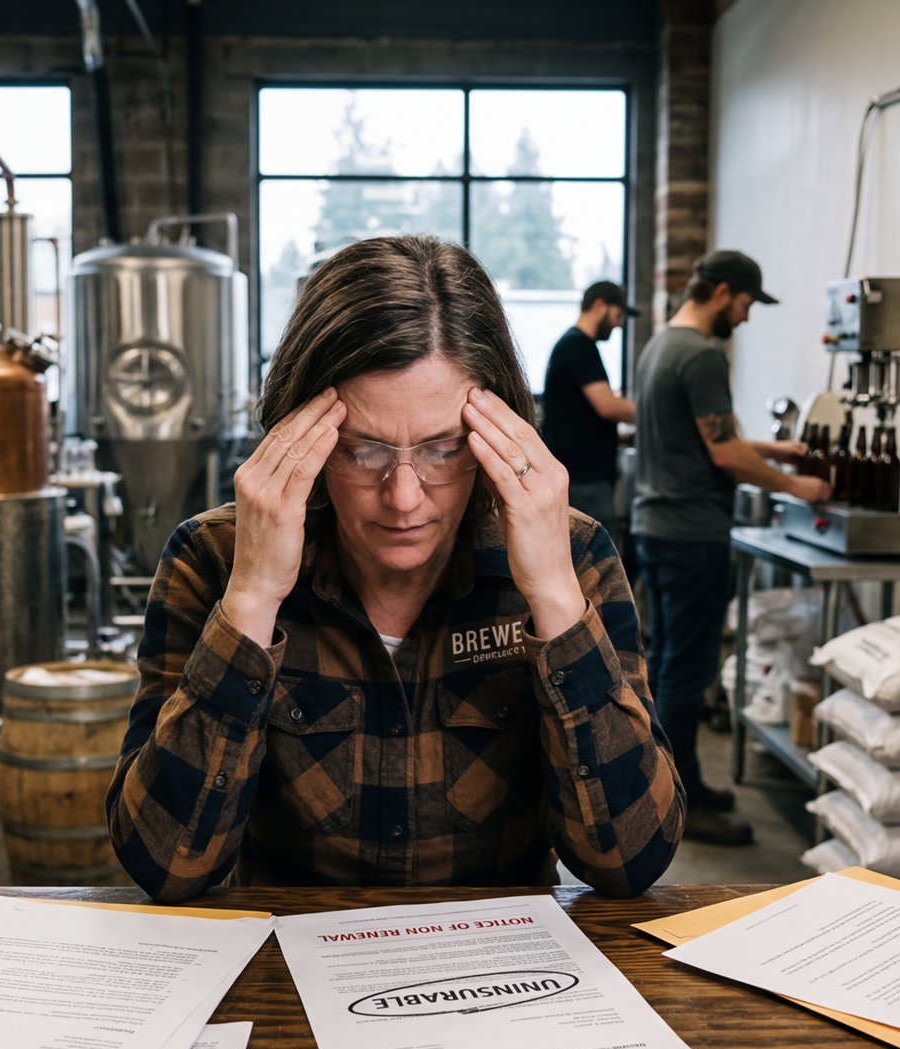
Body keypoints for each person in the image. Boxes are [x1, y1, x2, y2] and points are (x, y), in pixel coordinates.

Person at [110, 235, 683, 904]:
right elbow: (165, 867)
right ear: (301, 438)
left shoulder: (575, 556)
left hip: (502, 977)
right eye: (363, 451)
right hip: (281, 974)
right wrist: (253, 598)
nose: (405, 496)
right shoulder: (211, 559)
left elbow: (632, 860)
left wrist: (554, 598)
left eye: (444, 449)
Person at [631, 250, 829, 847]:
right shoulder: (702, 354)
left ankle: (674, 784)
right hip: (692, 534)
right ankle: (677, 804)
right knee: (686, 673)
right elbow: (722, 452)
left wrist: (774, 451)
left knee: (666, 664)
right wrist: (800, 485)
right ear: (721, 292)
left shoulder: (660, 346)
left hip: (658, 528)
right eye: (745, 304)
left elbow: (710, 439)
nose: (745, 317)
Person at [541, 282, 637, 549]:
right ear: (599, 306)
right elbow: (608, 406)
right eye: (618, 316)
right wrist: (655, 413)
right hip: (585, 482)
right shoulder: (579, 346)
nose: (619, 325)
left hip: (580, 479)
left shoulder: (571, 344)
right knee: (596, 567)